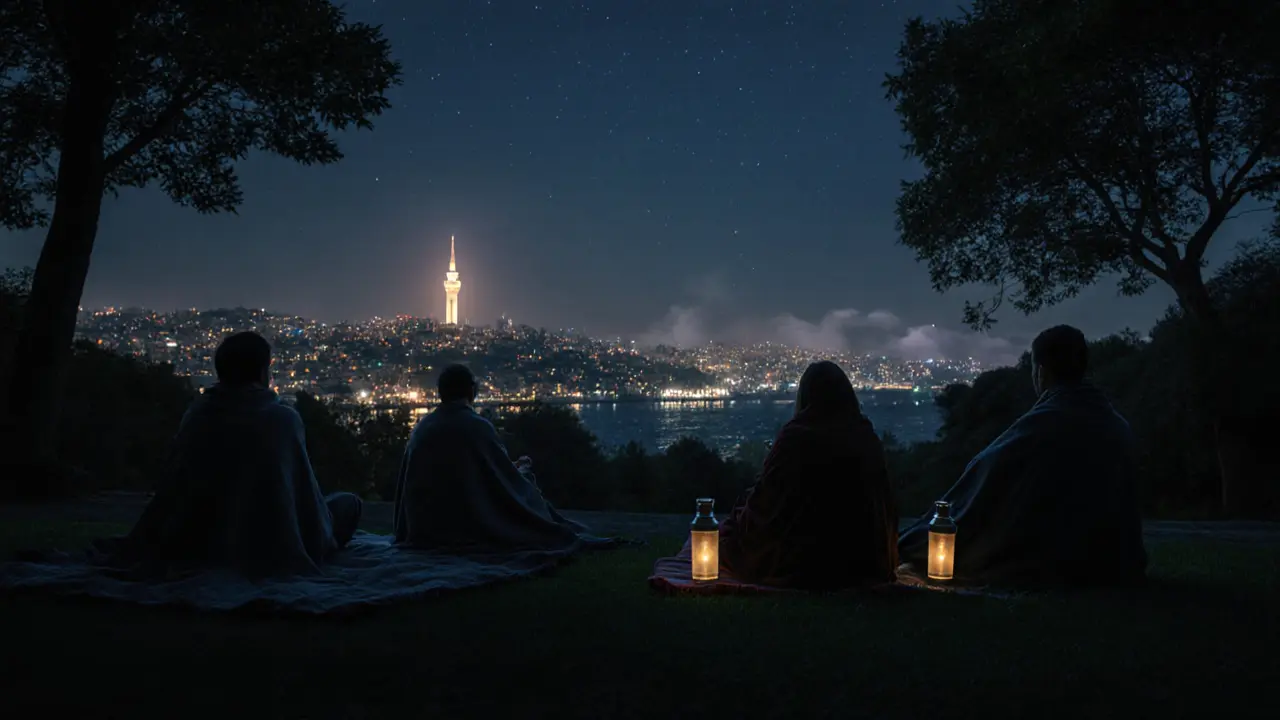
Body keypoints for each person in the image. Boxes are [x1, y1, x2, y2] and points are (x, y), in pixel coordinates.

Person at [898, 325, 1147, 587]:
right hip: (1116, 563)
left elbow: (976, 491)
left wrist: (910, 541)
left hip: (1057, 566)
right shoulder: (1116, 424)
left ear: (1040, 371)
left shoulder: (1040, 428)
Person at [118, 331, 363, 578]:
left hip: (197, 535)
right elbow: (305, 496)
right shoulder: (282, 419)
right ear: (261, 372)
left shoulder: (197, 415)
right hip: (269, 536)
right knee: (348, 504)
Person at [718, 360, 899, 590]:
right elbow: (885, 504)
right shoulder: (864, 436)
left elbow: (767, 505)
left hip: (797, 561)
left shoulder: (795, 438)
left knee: (735, 527)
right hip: (864, 560)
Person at [392, 363, 587, 551]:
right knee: (526, 485)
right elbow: (498, 483)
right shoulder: (477, 426)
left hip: (423, 527)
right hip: (466, 523)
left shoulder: (422, 427)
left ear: (440, 392)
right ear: (471, 391)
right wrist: (519, 471)